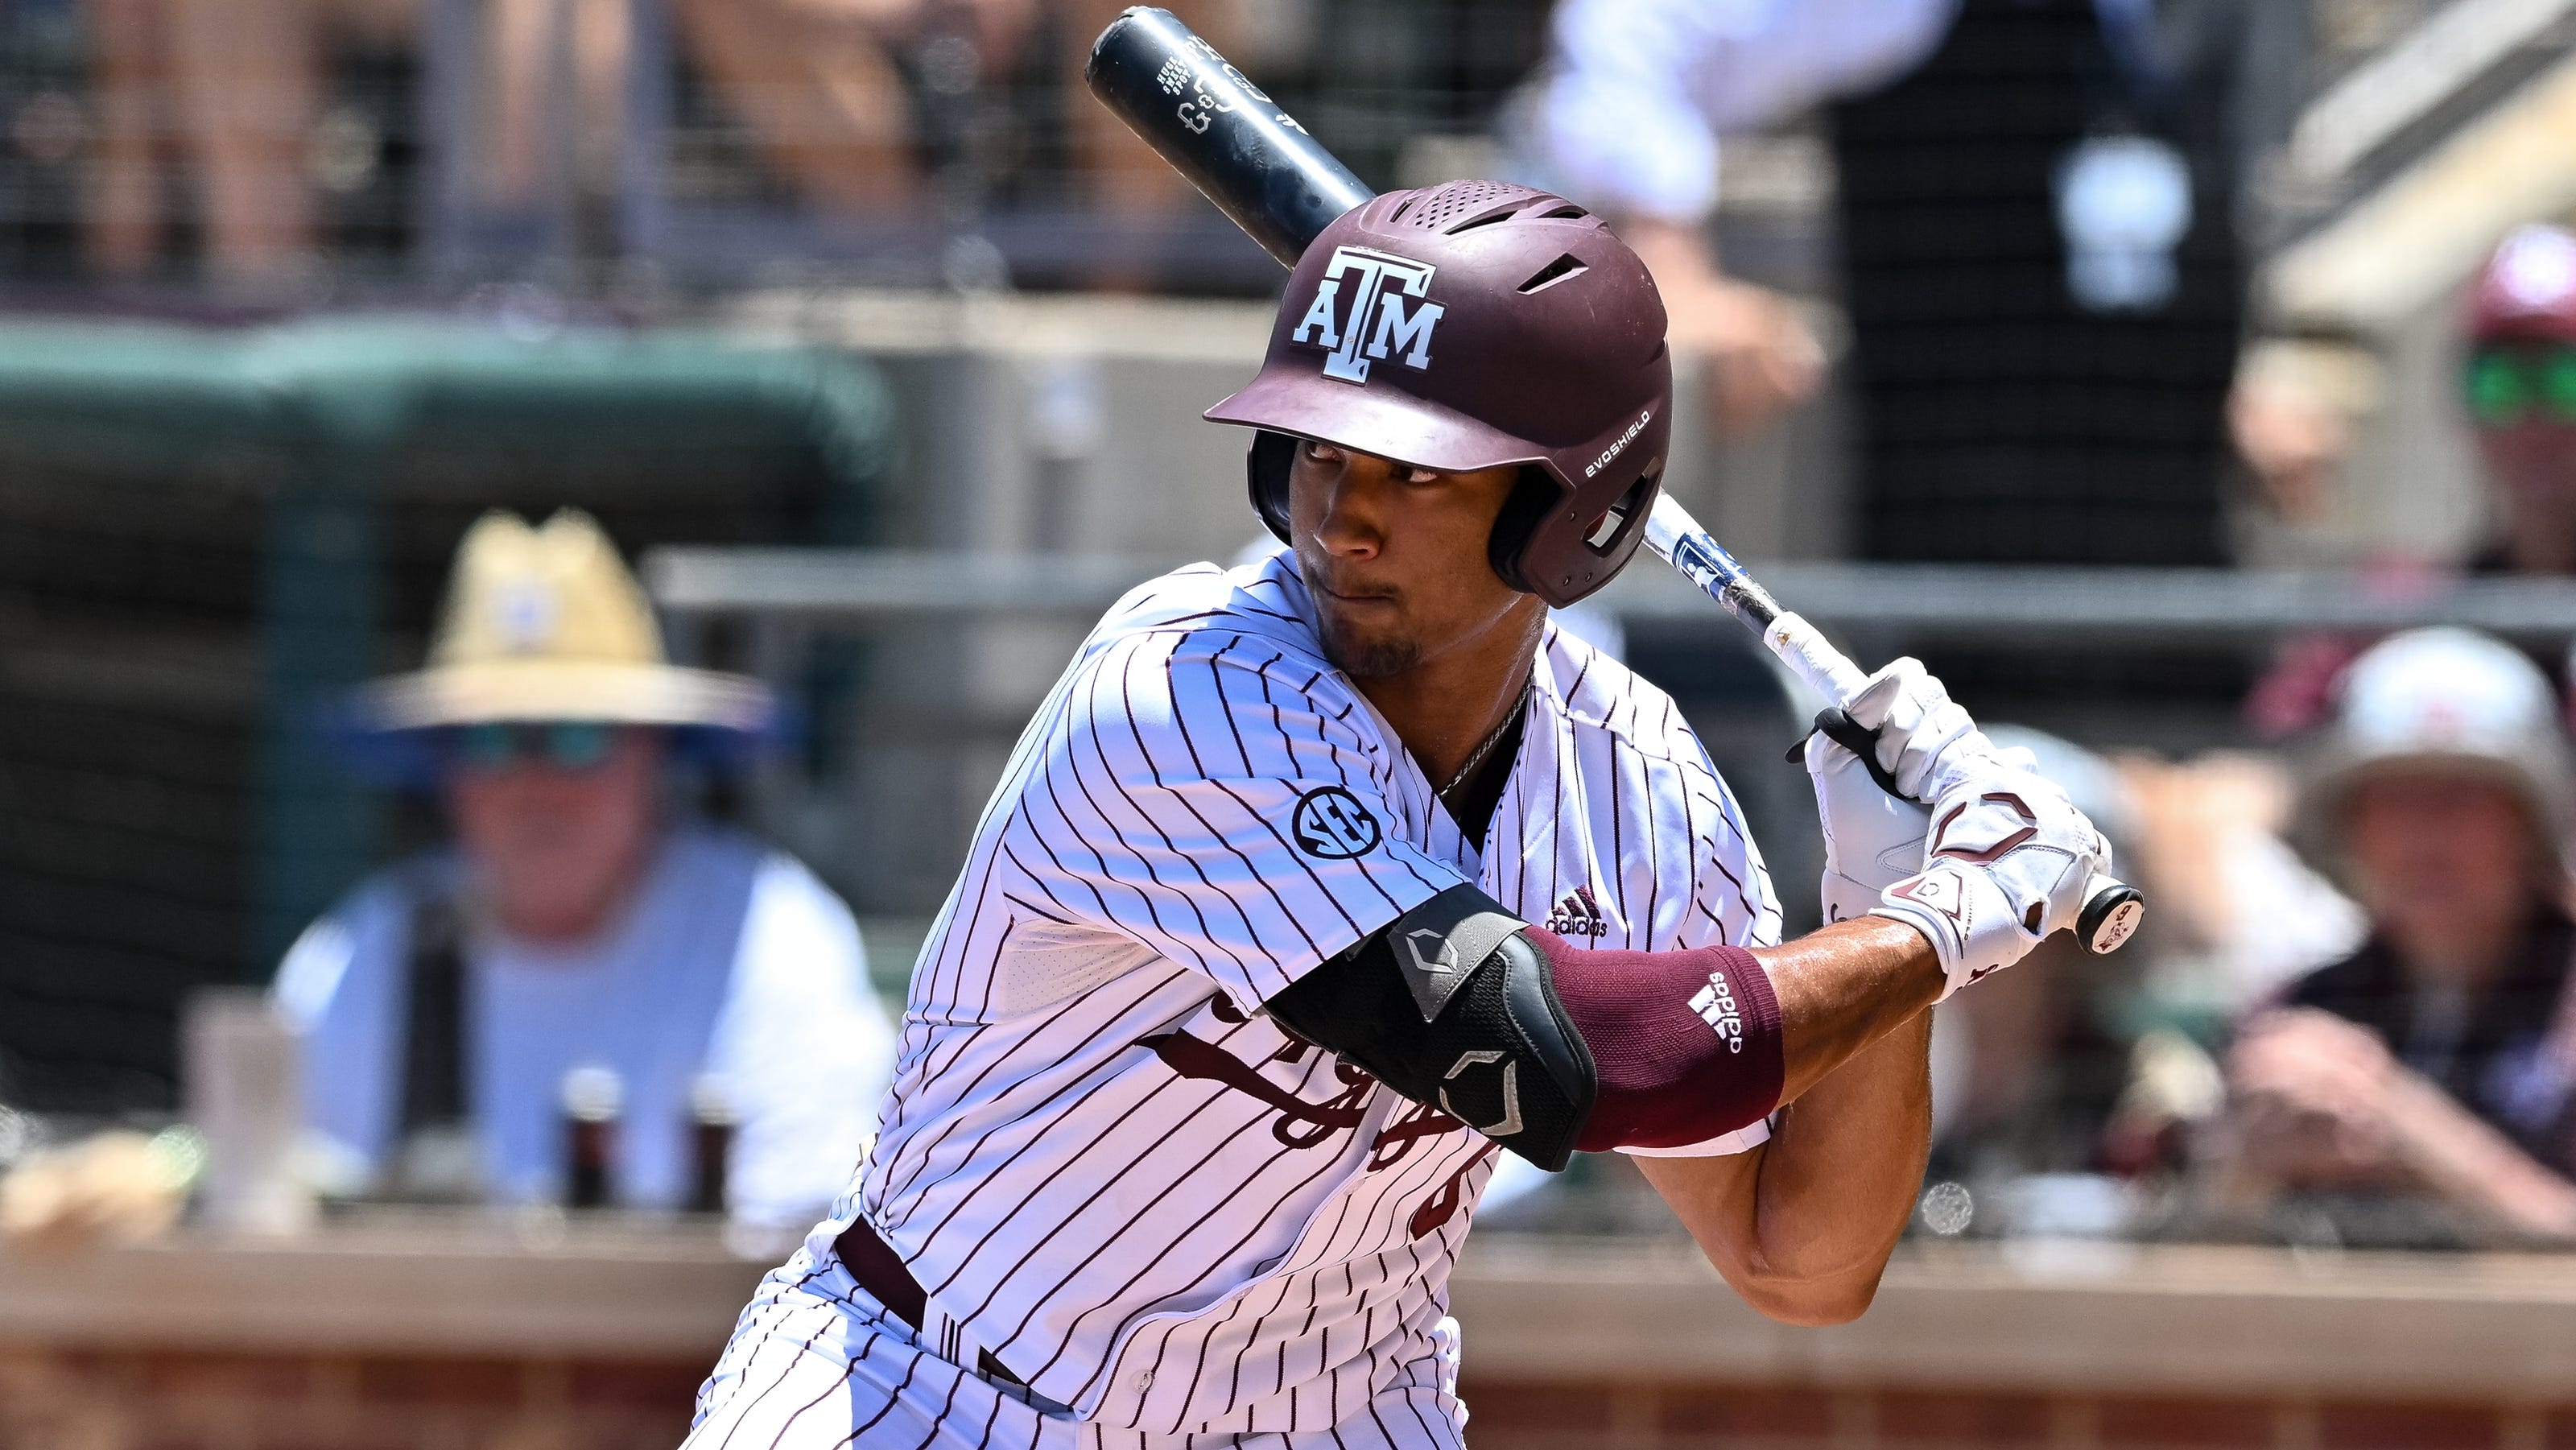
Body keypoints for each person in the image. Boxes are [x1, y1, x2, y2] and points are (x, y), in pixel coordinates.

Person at [684, 181, 2114, 1444]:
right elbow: (1573, 1056)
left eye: (1415, 474)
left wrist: (1867, 907)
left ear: (1570, 510)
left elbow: (1802, 1260)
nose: (1340, 520)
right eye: (1319, 454)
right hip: (936, 1387)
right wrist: (1952, 919)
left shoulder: (1636, 787)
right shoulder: (1184, 697)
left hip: (1331, 1410)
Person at [269, 509, 897, 1229]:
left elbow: (809, 1243)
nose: (536, 784)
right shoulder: (360, 959)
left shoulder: (772, 937)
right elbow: (287, 1224)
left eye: (576, 736)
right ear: (446, 771)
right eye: (493, 740)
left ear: (652, 756)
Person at [2222, 629, 2576, 1243]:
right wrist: (2246, 1169)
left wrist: (2410, 1128)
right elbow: (2189, 1250)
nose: (2425, 838)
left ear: (2531, 822)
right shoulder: (2304, 1007)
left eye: (2460, 798)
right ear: (2349, 825)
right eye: (2396, 800)